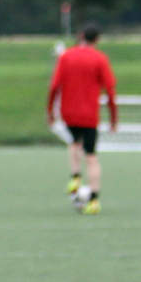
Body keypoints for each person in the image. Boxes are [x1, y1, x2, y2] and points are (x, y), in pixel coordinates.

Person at [47, 23, 116, 215]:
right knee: (92, 156)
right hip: (89, 115)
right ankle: (94, 201)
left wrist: (50, 111)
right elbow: (110, 90)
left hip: (68, 113)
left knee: (74, 143)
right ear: (97, 40)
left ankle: (75, 176)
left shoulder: (66, 56)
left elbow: (54, 87)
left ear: (80, 36)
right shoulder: (100, 59)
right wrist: (113, 118)